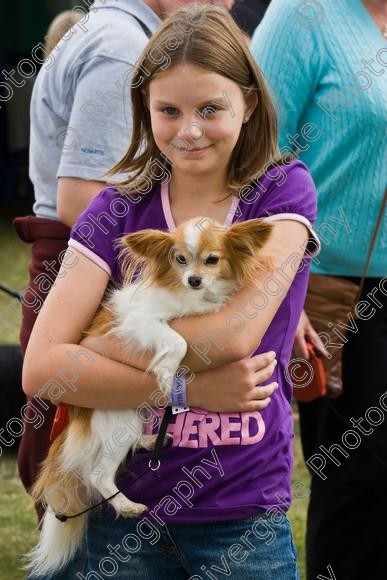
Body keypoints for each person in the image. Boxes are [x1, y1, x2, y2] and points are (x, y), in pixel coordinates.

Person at [23, 4, 321, 578]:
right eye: (169, 110)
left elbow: (233, 336)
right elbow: (42, 370)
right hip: (121, 518)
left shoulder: (281, 192)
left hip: (241, 511)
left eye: (211, 108)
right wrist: (187, 390)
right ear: (145, 109)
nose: (189, 130)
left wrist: (98, 347)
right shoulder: (117, 210)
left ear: (249, 103)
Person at [15, 0, 235, 523]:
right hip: (90, 272)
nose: (227, 5)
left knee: (75, 455)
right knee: (69, 463)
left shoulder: (107, 28)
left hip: (92, 270)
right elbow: (79, 201)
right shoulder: (122, 49)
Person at [251, 1, 387, 579]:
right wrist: (283, 292)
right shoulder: (303, 14)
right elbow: (253, 154)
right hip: (333, 290)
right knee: (360, 479)